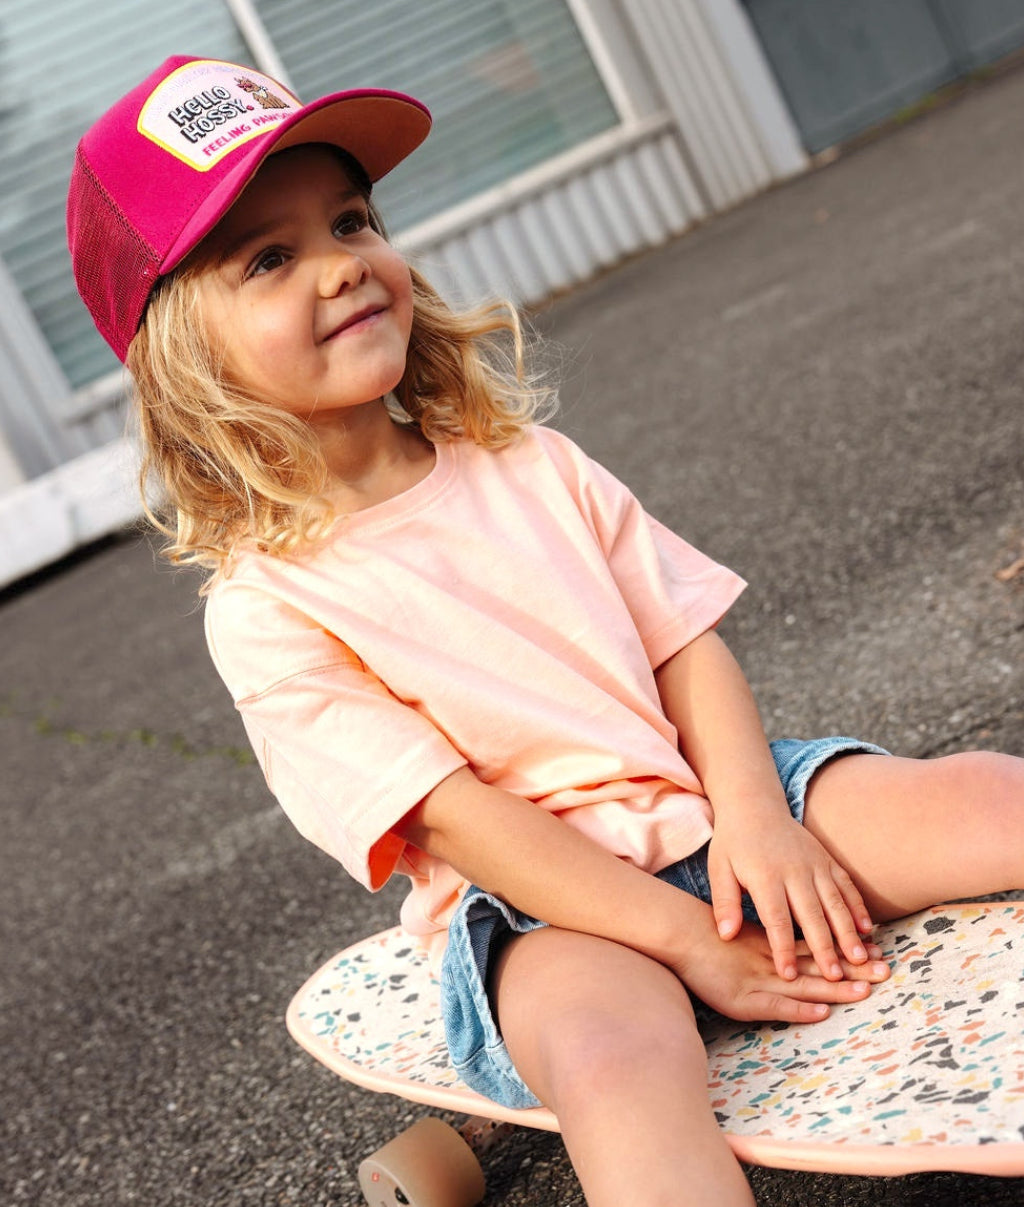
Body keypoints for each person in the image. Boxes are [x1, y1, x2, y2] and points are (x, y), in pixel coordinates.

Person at [68, 56, 1024, 1207]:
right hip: (534, 905)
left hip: (703, 796)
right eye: (270, 258)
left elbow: (682, 644)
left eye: (350, 219)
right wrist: (681, 938)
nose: (341, 263)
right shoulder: (266, 608)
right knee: (616, 1061)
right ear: (184, 357)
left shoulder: (525, 462)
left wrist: (760, 824)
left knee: (980, 796)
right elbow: (460, 822)